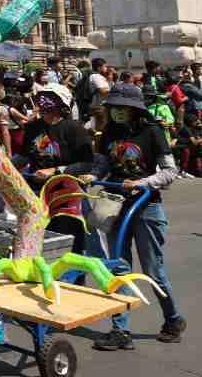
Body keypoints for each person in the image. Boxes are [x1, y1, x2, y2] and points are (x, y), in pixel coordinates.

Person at [89, 83, 185, 351]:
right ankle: (121, 330)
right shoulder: (109, 131)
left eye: (123, 108)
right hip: (115, 203)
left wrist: (143, 182)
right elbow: (103, 163)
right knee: (118, 268)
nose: (118, 112)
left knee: (153, 270)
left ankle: (173, 319)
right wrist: (94, 175)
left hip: (145, 207)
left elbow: (169, 172)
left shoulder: (152, 131)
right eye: (114, 107)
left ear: (135, 109)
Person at [19, 84, 95, 251]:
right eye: (42, 96)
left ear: (61, 103)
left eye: (49, 97)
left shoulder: (74, 128)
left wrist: (56, 170)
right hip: (37, 194)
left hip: (66, 195)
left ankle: (72, 276)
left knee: (66, 241)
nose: (43, 101)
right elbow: (24, 156)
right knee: (38, 240)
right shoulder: (32, 127)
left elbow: (87, 163)